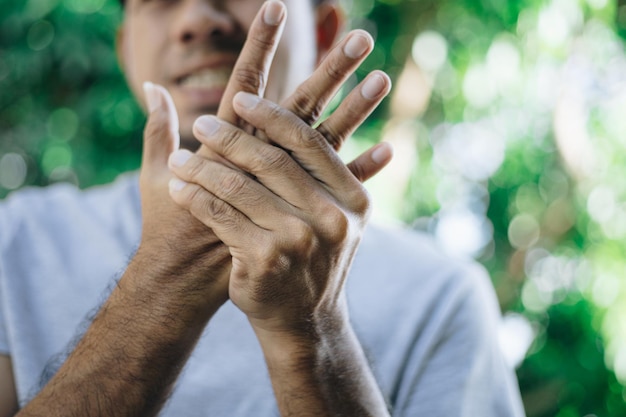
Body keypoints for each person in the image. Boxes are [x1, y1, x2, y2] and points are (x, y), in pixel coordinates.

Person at [0, 0, 525, 416]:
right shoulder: (15, 244)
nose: (197, 19)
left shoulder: (440, 298)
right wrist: (165, 282)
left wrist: (312, 330)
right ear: (126, 50)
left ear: (321, 34)